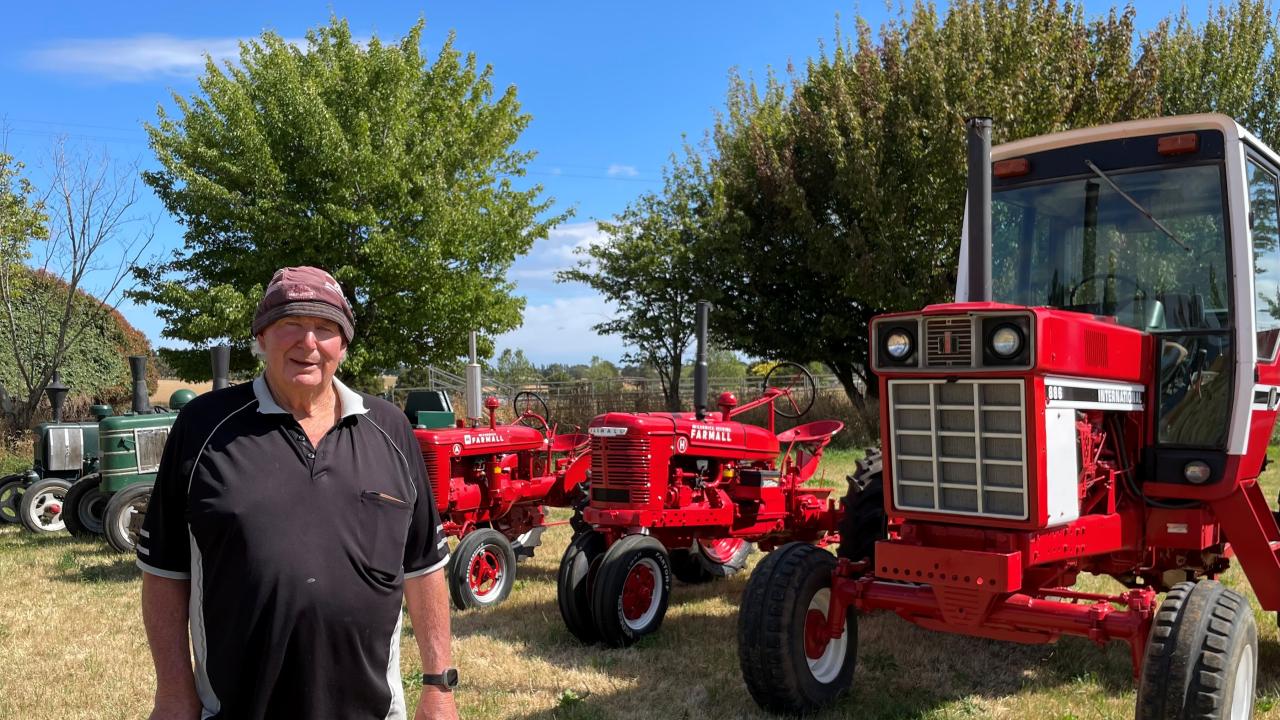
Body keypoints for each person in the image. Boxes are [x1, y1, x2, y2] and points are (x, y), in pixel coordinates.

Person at [137, 266, 459, 720]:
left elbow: (424, 568)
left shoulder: (390, 429)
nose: (308, 342)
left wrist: (438, 687)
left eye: (326, 328)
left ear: (343, 346)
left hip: (371, 711)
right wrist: (173, 692)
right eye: (291, 323)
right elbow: (165, 573)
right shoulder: (203, 427)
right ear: (262, 336)